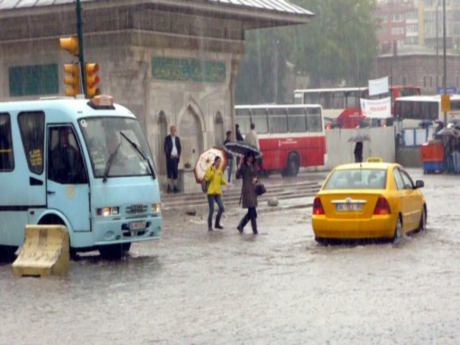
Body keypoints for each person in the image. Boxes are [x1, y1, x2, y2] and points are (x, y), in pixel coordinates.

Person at [236, 153, 259, 235]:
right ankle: (255, 230)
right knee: (252, 211)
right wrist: (239, 165)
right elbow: (237, 176)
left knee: (252, 212)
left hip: (253, 190)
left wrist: (256, 180)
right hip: (247, 190)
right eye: (249, 157)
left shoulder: (253, 166)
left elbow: (256, 176)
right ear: (247, 157)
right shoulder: (243, 166)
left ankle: (241, 225)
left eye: (252, 157)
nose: (251, 158)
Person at [204, 156, 227, 231]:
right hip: (210, 192)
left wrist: (227, 184)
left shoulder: (219, 171)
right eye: (218, 162)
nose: (219, 163)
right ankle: (210, 226)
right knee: (212, 210)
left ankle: (217, 223)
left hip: (218, 192)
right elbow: (207, 178)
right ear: (215, 161)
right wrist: (213, 171)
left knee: (221, 207)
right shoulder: (210, 169)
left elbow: (222, 180)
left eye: (220, 162)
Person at [164, 125, 181, 193]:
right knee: (169, 172)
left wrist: (178, 155)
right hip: (170, 158)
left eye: (174, 130)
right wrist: (168, 155)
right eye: (172, 130)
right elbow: (165, 147)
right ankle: (169, 187)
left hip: (175, 157)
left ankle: (175, 187)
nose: (173, 131)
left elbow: (179, 147)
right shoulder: (167, 138)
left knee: (175, 172)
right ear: (170, 131)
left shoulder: (177, 139)